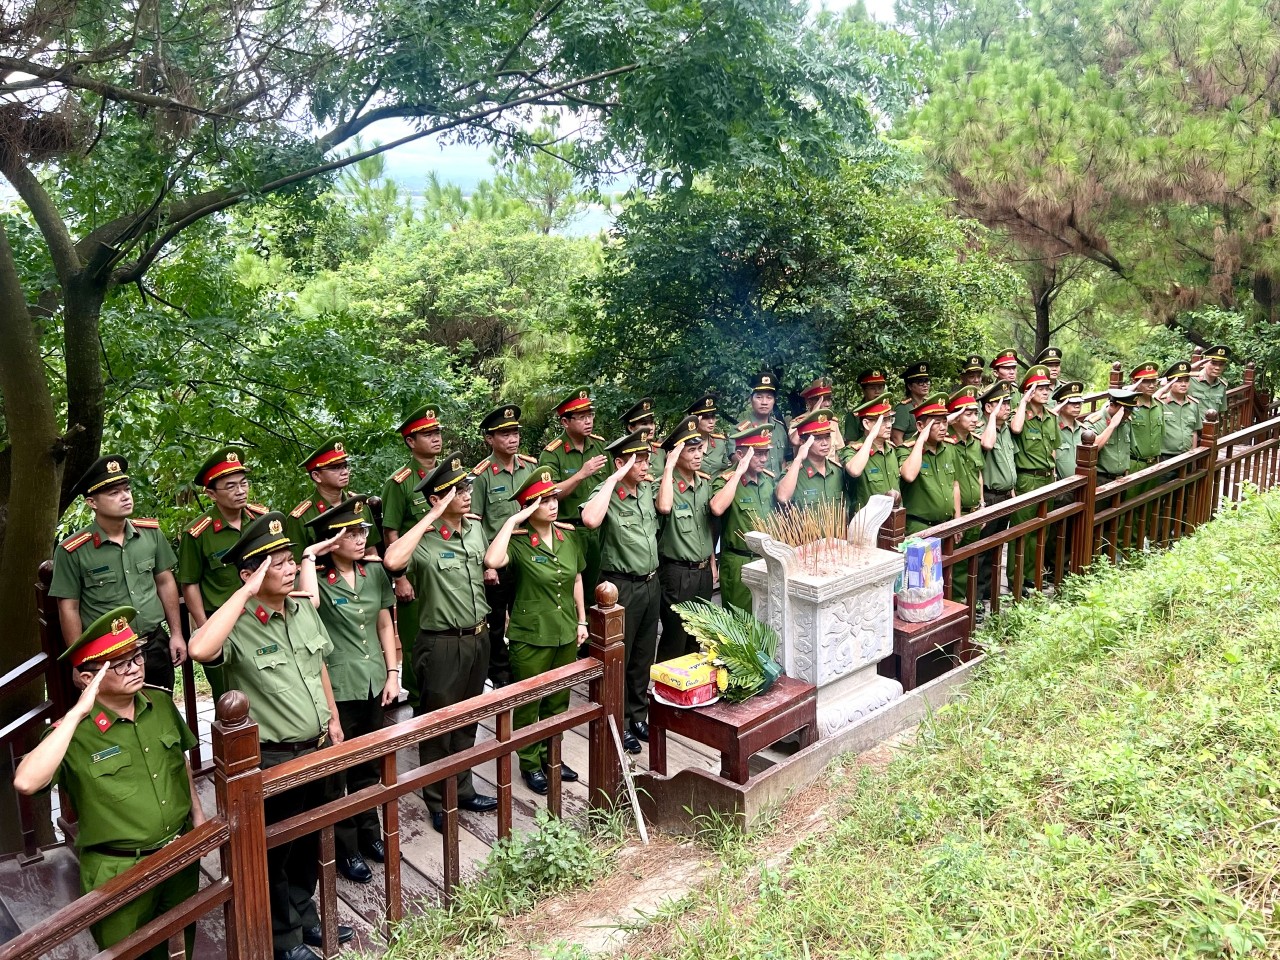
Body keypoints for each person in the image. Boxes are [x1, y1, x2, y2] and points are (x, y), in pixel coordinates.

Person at [187, 512, 352, 960]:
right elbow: (200, 649)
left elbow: (319, 667)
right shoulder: (237, 625)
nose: (288, 568)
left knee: (308, 841)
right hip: (274, 757)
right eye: (275, 563)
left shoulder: (301, 609)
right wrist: (244, 592)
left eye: (288, 560)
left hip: (318, 746)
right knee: (275, 849)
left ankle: (303, 916)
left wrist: (334, 721)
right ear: (250, 573)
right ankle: (284, 939)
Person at [15, 607, 204, 960]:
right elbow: (26, 782)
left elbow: (179, 761)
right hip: (119, 870)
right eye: (117, 664)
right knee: (127, 953)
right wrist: (77, 713)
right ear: (88, 679)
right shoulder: (73, 735)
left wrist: (197, 818)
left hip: (179, 853)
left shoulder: (160, 703)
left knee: (181, 945)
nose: (134, 667)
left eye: (136, 656)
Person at [381, 455, 499, 832]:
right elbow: (391, 560)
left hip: (479, 637)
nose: (465, 495)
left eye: (466, 487)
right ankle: (437, 798)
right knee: (435, 724)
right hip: (441, 643)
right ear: (435, 499)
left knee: (467, 719)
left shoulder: (475, 529)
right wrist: (431, 518)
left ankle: (461, 788)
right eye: (455, 490)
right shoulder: (425, 541)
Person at [300, 496, 398, 886]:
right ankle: (345, 848)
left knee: (369, 765)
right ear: (332, 539)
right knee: (337, 772)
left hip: (374, 680)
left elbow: (384, 625)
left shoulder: (373, 572)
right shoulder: (316, 578)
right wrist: (310, 557)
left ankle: (370, 833)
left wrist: (392, 673)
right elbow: (309, 605)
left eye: (362, 531)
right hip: (337, 687)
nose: (362, 539)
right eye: (351, 533)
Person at [483, 469, 586, 794]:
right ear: (529, 506)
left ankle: (551, 756)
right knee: (529, 704)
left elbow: (578, 579)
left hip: (566, 631)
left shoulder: (568, 536)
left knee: (558, 701)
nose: (552, 505)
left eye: (554, 497)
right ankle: (530, 763)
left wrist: (582, 620)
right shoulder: (517, 542)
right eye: (543, 500)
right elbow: (492, 559)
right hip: (530, 635)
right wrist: (515, 521)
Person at [50, 455, 185, 692]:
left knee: (162, 712)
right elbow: (68, 607)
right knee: (116, 720)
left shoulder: (150, 534)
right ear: (92, 503)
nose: (124, 496)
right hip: (107, 654)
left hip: (153, 643)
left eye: (126, 489)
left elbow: (165, 582)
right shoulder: (73, 550)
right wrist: (80, 661)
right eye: (113, 493)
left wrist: (176, 633)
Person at [582, 430, 660, 754]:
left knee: (643, 655)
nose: (644, 464)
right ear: (619, 462)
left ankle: (637, 715)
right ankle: (620, 723)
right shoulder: (607, 492)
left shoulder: (645, 491)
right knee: (620, 658)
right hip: (620, 587)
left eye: (645, 458)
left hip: (650, 583)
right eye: (637, 459)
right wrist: (613, 479)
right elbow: (589, 519)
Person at [176, 447, 268, 699]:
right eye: (230, 486)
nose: (240, 491)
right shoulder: (197, 533)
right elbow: (190, 584)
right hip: (222, 624)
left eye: (243, 483)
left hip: (263, 619)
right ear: (211, 493)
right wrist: (206, 628)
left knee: (268, 688)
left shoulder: (261, 520)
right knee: (229, 697)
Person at [470, 404, 539, 688]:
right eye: (505, 434)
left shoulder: (531, 468)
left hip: (528, 557)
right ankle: (499, 675)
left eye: (515, 433)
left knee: (527, 612)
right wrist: (488, 566)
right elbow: (475, 524)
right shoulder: (482, 475)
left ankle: (525, 665)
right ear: (490, 439)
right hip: (497, 562)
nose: (513, 438)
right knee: (496, 621)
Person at [380, 405, 444, 704]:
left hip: (446, 571)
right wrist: (400, 578)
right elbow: (390, 534)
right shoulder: (400, 482)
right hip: (416, 574)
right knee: (417, 640)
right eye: (427, 434)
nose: (435, 438)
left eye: (437, 432)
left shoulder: (448, 475)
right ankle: (420, 702)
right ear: (410, 441)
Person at [538, 387, 609, 595]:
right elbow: (549, 494)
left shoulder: (600, 447)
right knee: (570, 590)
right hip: (569, 531)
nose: (588, 421)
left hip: (600, 531)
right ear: (565, 422)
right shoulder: (553, 453)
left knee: (601, 591)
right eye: (581, 417)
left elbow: (611, 484)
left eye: (590, 415)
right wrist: (580, 474)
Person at [655, 416, 715, 662]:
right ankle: (664, 695)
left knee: (697, 636)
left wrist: (712, 563)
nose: (698, 455)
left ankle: (688, 692)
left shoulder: (704, 484)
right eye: (691, 450)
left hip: (703, 572)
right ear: (676, 455)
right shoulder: (664, 485)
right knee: (675, 637)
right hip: (677, 573)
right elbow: (665, 507)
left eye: (699, 449)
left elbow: (707, 527)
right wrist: (667, 468)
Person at [711, 423, 777, 613]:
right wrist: (738, 472)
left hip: (767, 559)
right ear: (740, 454)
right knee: (739, 624)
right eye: (757, 453)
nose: (763, 459)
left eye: (766, 453)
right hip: (739, 561)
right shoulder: (725, 481)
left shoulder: (767, 479)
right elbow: (717, 508)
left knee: (767, 620)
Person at [1008, 365, 1060, 594]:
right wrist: (1022, 402)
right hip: (1027, 479)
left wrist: (1055, 473)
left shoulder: (1050, 417)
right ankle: (1015, 578)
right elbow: (1016, 429)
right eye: (1039, 387)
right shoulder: (1022, 414)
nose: (1045, 391)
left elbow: (1054, 449)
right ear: (1028, 390)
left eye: (1047, 387)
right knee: (1022, 531)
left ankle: (1032, 575)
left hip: (1047, 478)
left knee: (1042, 530)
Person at [286, 438, 382, 561]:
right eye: (336, 468)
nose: (345, 472)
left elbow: (371, 553)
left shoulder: (359, 505)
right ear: (316, 476)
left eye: (345, 466)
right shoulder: (300, 518)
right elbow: (296, 567)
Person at [975, 382, 1015, 606]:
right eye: (1001, 403)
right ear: (988, 408)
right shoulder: (983, 428)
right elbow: (987, 445)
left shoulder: (1006, 429)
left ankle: (990, 593)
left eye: (1008, 402)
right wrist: (990, 418)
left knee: (996, 548)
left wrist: (1013, 492)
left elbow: (1010, 463)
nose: (1007, 407)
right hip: (989, 496)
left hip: (1005, 495)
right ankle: (978, 598)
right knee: (982, 552)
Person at [899, 394, 960, 535]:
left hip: (948, 525)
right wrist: (920, 440)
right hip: (920, 527)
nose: (943, 427)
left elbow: (955, 485)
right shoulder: (906, 450)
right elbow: (908, 475)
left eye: (945, 422)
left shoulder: (949, 448)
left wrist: (957, 521)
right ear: (920, 426)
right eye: (936, 423)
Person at [946, 389, 986, 601]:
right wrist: (957, 518)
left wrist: (982, 504)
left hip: (974, 511)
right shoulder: (946, 443)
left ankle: (970, 605)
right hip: (957, 515)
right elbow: (953, 484)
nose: (974, 418)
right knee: (956, 567)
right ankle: (956, 605)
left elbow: (978, 474)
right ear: (955, 417)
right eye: (967, 414)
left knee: (972, 561)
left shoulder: (975, 442)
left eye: (975, 413)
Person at [777, 410, 845, 516]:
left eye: (827, 436)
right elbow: (782, 497)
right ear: (804, 443)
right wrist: (798, 458)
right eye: (817, 438)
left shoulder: (837, 471)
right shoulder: (794, 473)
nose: (825, 443)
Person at [840, 397, 900, 515]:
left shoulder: (891, 449)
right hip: (867, 523)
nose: (889, 425)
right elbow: (855, 471)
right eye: (882, 421)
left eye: (890, 420)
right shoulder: (853, 451)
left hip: (894, 520)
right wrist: (871, 436)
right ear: (866, 424)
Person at [737, 368, 789, 477]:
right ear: (751, 399)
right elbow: (735, 461)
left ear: (774, 401)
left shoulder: (780, 428)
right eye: (759, 397)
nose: (764, 402)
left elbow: (783, 461)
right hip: (755, 489)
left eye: (769, 397)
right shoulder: (740, 430)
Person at [1085, 389, 1137, 482]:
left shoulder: (1126, 421)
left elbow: (1128, 450)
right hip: (1101, 479)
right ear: (1112, 405)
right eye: (1124, 410)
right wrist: (1112, 425)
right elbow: (1090, 450)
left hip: (1122, 478)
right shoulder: (1094, 422)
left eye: (1130, 410)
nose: (1127, 414)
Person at [1156, 360, 1204, 461]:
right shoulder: (1160, 402)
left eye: (1186, 380)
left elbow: (1194, 431)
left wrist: (1193, 454)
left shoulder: (1193, 404)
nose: (1183, 384)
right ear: (1170, 383)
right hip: (1165, 456)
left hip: (1187, 456)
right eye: (1178, 381)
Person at [790, 377, 845, 448]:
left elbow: (835, 453)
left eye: (829, 399)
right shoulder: (798, 422)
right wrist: (812, 415)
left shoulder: (832, 422)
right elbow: (795, 441)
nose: (828, 404)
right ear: (809, 402)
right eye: (822, 400)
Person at [686, 393, 732, 477]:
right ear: (695, 419)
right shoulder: (685, 444)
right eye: (706, 417)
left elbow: (724, 469)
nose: (711, 421)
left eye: (713, 416)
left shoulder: (719, 443)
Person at [620, 397, 666, 478]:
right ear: (631, 428)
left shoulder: (661, 451)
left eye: (652, 423)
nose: (651, 428)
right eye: (644, 424)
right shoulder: (624, 453)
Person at [891, 362, 933, 446]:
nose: (925, 385)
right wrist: (904, 457)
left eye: (926, 381)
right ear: (909, 386)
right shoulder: (903, 408)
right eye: (920, 382)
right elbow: (896, 437)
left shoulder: (929, 405)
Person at [1053, 381, 1087, 480]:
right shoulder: (1053, 429)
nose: (1077, 406)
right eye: (1072, 402)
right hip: (1061, 487)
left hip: (1082, 485)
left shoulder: (1083, 430)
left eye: (1079, 402)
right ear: (1061, 405)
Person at [843, 368, 889, 442]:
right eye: (872, 388)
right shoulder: (855, 415)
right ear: (864, 391)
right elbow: (851, 443)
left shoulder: (887, 409)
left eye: (880, 387)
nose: (877, 391)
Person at [1189, 344, 1231, 418]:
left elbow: (1221, 411)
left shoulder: (1222, 386)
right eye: (1213, 363)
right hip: (1192, 428)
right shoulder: (1190, 380)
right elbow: (1166, 380)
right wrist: (1191, 368)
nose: (1217, 368)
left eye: (1221, 364)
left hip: (1212, 427)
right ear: (1204, 363)